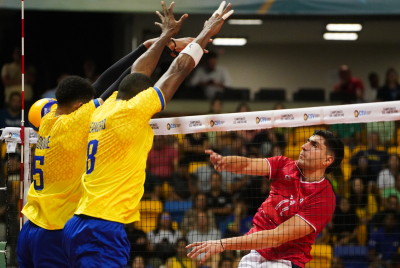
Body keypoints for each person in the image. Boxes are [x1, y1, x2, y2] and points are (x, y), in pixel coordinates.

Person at [62, 2, 234, 267]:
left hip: (78, 222)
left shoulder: (103, 109)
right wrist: (206, 32)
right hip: (104, 226)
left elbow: (138, 72)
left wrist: (166, 37)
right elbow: (177, 71)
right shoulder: (132, 111)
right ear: (141, 97)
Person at [17, 18, 195, 268]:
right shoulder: (74, 124)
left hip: (29, 228)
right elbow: (107, 86)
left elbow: (96, 87)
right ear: (79, 106)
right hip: (54, 229)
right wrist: (151, 47)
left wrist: (148, 47)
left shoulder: (47, 121)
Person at [187, 130, 344, 268]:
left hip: (285, 261)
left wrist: (223, 244)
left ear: (327, 160)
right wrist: (225, 162)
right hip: (256, 253)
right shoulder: (285, 165)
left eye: (314, 145)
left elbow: (277, 237)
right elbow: (247, 165)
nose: (304, 146)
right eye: (307, 141)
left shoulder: (324, 198)